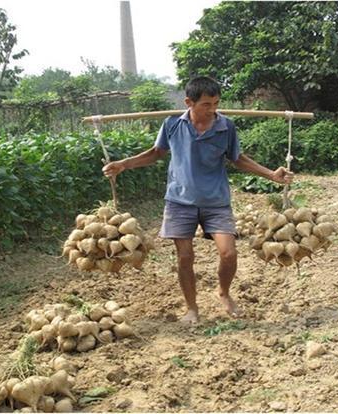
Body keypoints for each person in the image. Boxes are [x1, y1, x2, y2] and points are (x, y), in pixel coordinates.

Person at [102, 76, 294, 324]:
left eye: (216, 103)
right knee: (184, 257)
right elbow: (156, 153)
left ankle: (224, 292)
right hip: (179, 200)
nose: (213, 109)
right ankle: (191, 308)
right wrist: (123, 165)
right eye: (206, 104)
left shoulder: (226, 126)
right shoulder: (172, 124)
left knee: (228, 254)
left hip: (216, 200)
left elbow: (238, 158)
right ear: (188, 102)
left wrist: (271, 174)